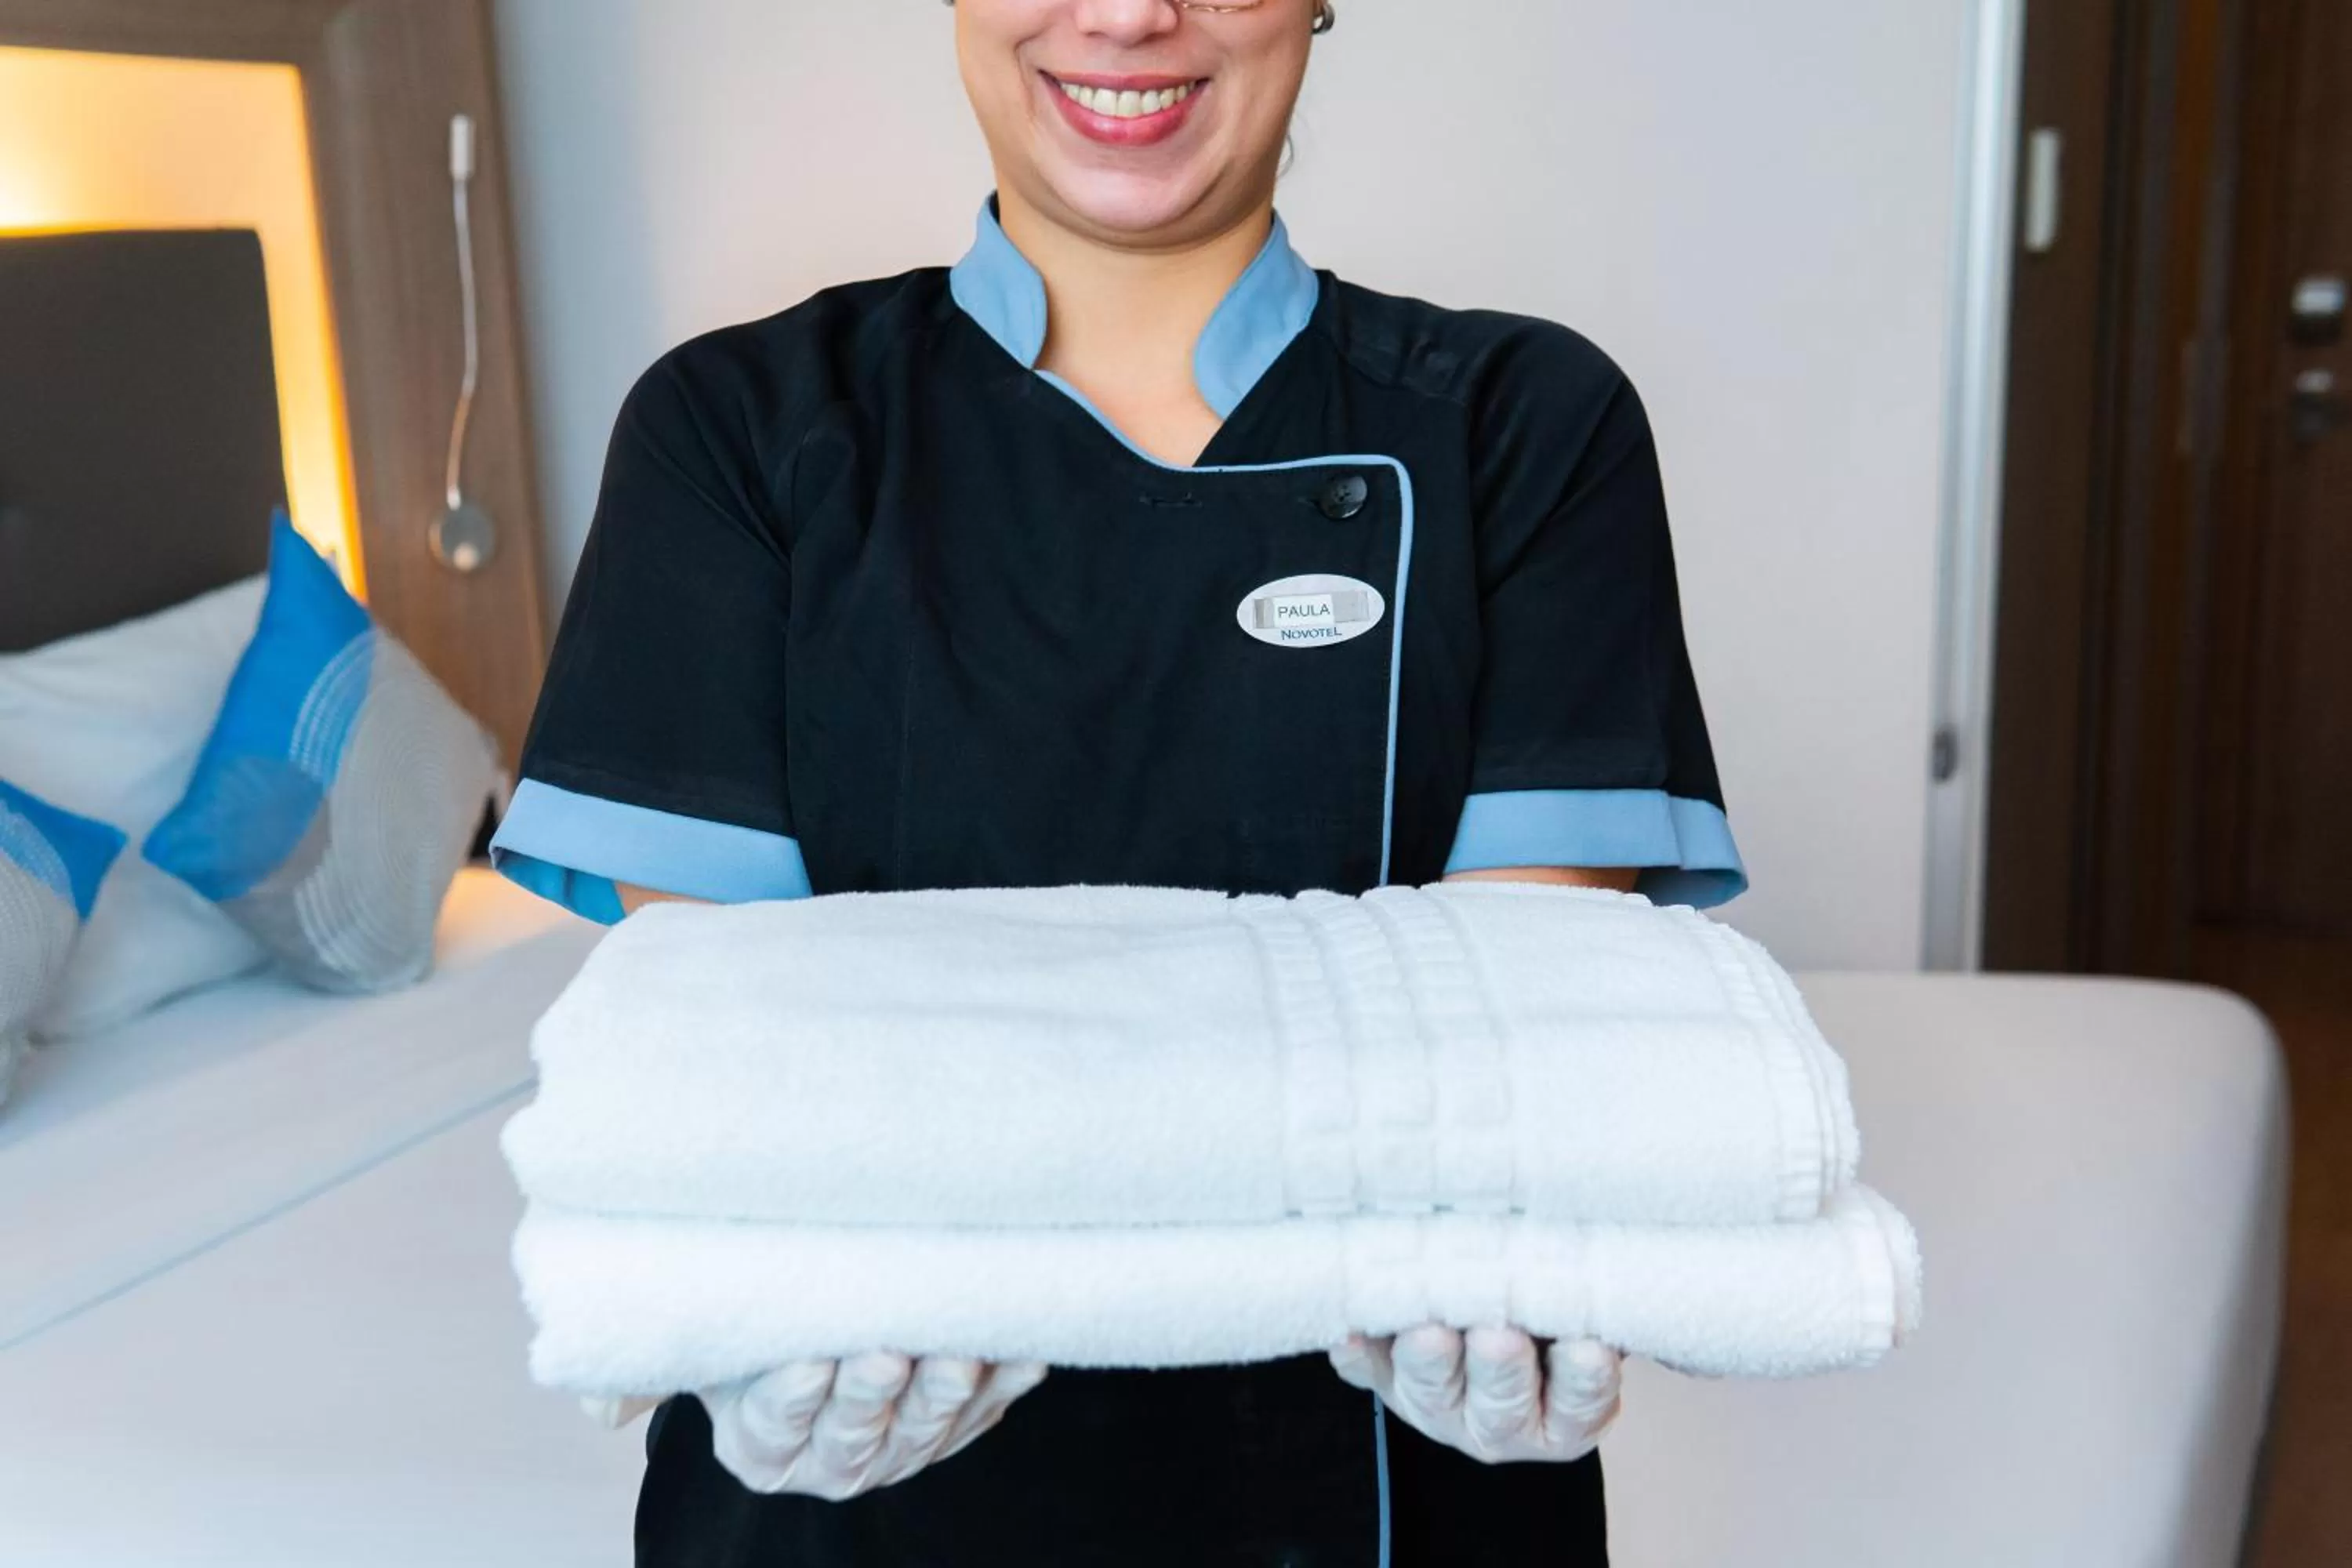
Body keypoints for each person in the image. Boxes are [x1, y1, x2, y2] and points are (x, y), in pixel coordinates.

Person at [491, 0, 1747, 1561]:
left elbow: (1497, 1050)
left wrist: (1519, 1218)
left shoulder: (1519, 428)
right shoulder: (741, 434)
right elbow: (753, 1079)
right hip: (847, 1505)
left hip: (1381, 1481)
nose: (1131, 10)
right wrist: (751, 1309)